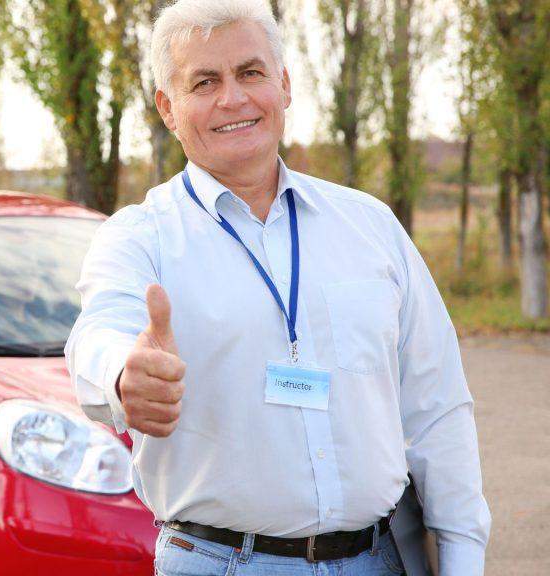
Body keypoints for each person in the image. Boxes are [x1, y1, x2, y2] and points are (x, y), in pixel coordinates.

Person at [64, 0, 491, 574]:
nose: (233, 99)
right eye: (205, 82)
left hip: (380, 558)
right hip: (220, 562)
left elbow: (438, 407)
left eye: (251, 73)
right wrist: (122, 374)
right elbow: (97, 335)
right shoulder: (141, 237)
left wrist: (462, 557)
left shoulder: (371, 227)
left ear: (285, 85)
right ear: (168, 108)